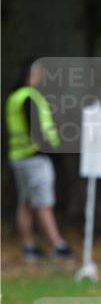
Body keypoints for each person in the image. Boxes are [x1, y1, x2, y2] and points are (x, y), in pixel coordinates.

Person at [5, 58, 73, 262]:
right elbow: (37, 129)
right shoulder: (30, 97)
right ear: (32, 74)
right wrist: (55, 150)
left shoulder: (14, 97)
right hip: (36, 158)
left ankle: (29, 247)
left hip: (18, 157)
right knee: (43, 203)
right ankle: (57, 245)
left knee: (25, 202)